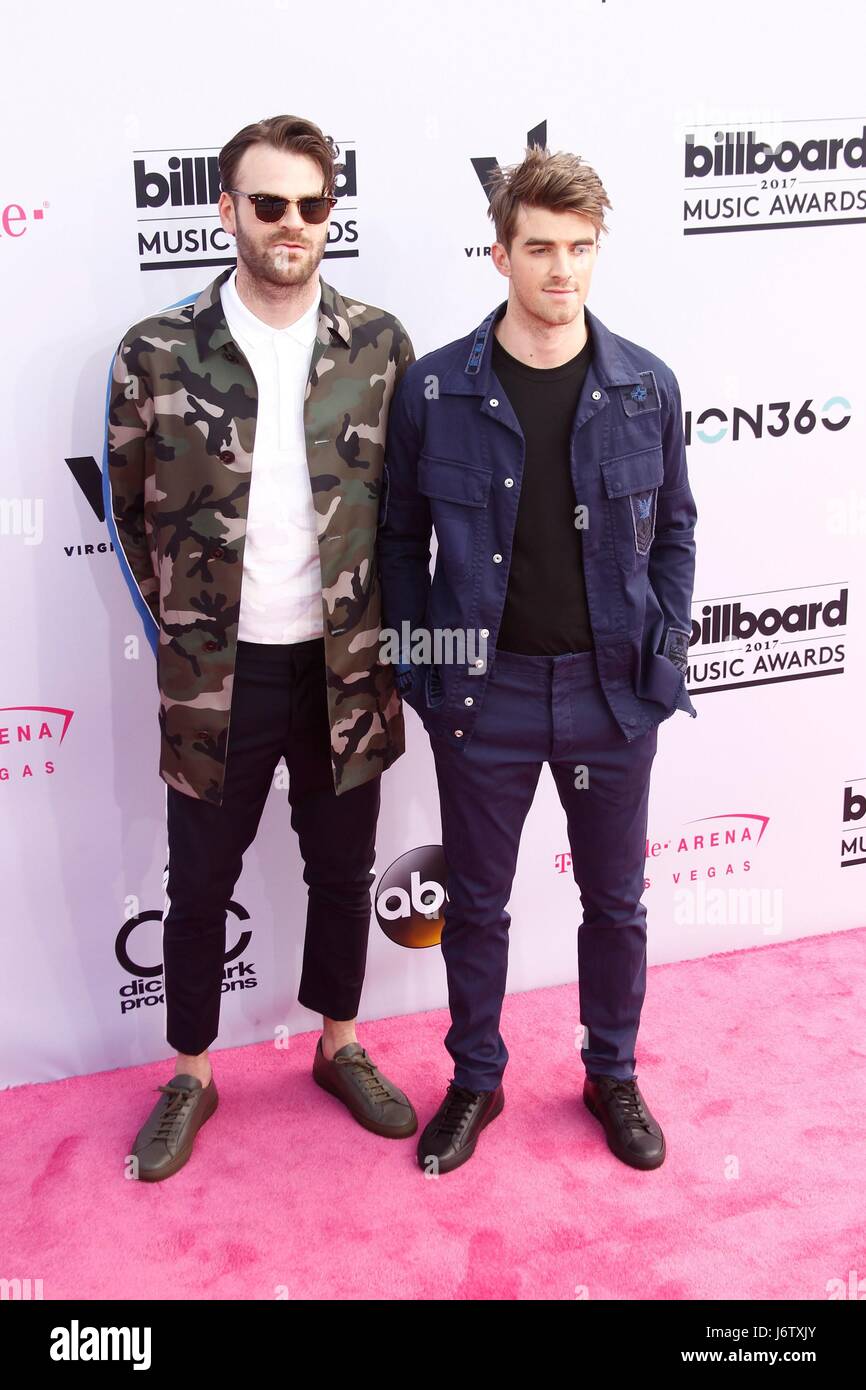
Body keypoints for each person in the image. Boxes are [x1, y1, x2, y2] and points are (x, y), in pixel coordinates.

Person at [105, 114, 417, 1181]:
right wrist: (183, 635)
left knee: (342, 872)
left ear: (331, 215)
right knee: (199, 885)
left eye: (312, 205)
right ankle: (189, 1073)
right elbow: (125, 507)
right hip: (215, 678)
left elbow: (408, 503)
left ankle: (337, 1045)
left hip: (346, 669)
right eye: (269, 203)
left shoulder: (377, 343)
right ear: (228, 210)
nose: (292, 224)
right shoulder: (155, 349)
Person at [378, 144, 698, 1175]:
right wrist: (423, 674)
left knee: (614, 902)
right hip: (484, 692)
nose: (562, 270)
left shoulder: (645, 386)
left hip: (612, 693)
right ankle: (475, 1080)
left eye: (580, 248)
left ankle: (611, 1072)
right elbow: (397, 543)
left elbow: (677, 531)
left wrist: (663, 644)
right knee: (473, 904)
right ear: (498, 253)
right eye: (540, 248)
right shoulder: (433, 391)